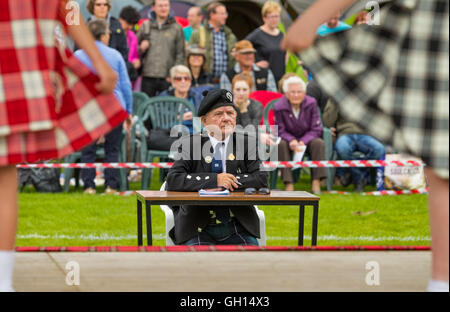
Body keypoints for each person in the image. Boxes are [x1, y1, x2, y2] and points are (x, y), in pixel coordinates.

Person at [282, 0, 448, 292]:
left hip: (433, 27)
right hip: (432, 27)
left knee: (442, 171)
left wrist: (311, 19)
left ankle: (441, 281)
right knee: (441, 169)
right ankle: (442, 280)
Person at [0, 0, 126, 292]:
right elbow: (67, 9)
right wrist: (97, 60)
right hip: (18, 67)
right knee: (4, 180)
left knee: (4, 179)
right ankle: (3, 283)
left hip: (16, 65)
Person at [166, 89, 268, 245]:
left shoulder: (246, 143)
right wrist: (215, 180)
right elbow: (173, 180)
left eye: (230, 113)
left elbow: (261, 179)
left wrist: (228, 181)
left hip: (238, 226)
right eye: (219, 114)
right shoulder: (190, 144)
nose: (226, 118)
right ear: (204, 121)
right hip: (197, 227)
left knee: (251, 263)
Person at [75, 20, 133, 195]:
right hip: (113, 108)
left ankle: (89, 186)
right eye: (108, 33)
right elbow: (125, 86)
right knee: (112, 149)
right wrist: (128, 111)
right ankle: (111, 186)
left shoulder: (78, 55)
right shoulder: (115, 55)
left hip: (88, 108)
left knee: (88, 149)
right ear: (103, 35)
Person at [274, 76, 326, 193]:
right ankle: (288, 183)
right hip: (288, 140)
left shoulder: (311, 103)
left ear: (304, 93)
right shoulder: (279, 106)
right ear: (286, 93)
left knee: (319, 143)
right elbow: (279, 129)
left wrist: (303, 141)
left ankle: (316, 181)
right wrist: (291, 140)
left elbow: (316, 128)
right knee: (280, 145)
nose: (296, 95)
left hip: (307, 138)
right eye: (293, 92)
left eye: (299, 92)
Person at [322, 100, 385, 192]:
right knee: (342, 149)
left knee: (379, 149)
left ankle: (353, 173)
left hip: (365, 134)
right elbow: (327, 122)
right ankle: (359, 178)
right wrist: (334, 102)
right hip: (345, 134)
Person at [137, 0, 185, 97]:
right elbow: (133, 52)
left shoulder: (177, 28)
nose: (163, 8)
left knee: (167, 109)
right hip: (148, 76)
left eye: (166, 5)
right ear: (153, 8)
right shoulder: (145, 26)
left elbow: (180, 54)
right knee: (147, 107)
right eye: (160, 6)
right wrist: (140, 48)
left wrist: (174, 75)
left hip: (167, 77)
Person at [189, 2, 237, 85]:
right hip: (204, 81)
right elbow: (188, 56)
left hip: (226, 81)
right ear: (212, 15)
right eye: (222, 14)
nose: (225, 16)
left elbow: (235, 59)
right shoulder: (198, 33)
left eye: (225, 13)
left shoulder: (230, 36)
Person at [245, 1, 286, 84]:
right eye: (271, 17)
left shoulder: (281, 34)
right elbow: (240, 50)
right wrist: (254, 64)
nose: (275, 20)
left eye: (276, 16)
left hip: (280, 79)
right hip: (264, 80)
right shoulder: (257, 34)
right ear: (264, 18)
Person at [160, 65, 203, 134]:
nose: (183, 81)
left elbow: (205, 115)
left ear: (190, 82)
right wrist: (179, 117)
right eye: (179, 79)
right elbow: (160, 115)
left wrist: (195, 116)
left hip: (194, 133)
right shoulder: (164, 96)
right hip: (171, 133)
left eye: (186, 78)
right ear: (173, 83)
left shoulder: (196, 96)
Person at [119, 6, 141, 82]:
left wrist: (136, 61)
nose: (130, 27)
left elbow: (135, 55)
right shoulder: (113, 33)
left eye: (132, 24)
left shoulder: (133, 37)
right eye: (128, 23)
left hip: (128, 75)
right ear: (120, 19)